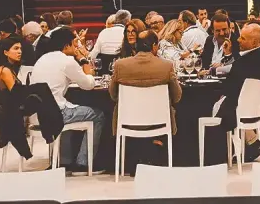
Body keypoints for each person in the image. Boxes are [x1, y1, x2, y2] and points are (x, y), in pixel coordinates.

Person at [29, 26, 103, 171]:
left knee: (69, 106)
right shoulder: (67, 61)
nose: (76, 47)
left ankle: (64, 161)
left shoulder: (42, 59)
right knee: (98, 115)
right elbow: (88, 85)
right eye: (74, 43)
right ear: (66, 45)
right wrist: (84, 62)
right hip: (55, 114)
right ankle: (83, 163)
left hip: (36, 114)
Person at [110, 28, 182, 172]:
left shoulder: (120, 65)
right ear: (154, 46)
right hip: (159, 121)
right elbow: (177, 96)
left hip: (128, 121)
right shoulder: (166, 66)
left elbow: (113, 95)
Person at [216, 22, 260, 163]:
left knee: (212, 104)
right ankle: (252, 143)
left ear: (254, 42)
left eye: (242, 38)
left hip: (236, 110)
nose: (238, 40)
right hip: (256, 108)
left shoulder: (243, 62)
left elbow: (228, 87)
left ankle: (216, 152)